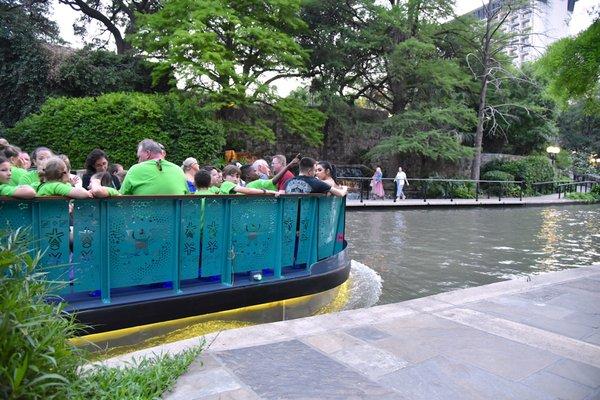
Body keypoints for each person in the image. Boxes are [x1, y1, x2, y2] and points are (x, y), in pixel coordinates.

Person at [120, 139, 188, 195]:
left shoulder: (135, 170)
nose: (138, 161)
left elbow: (121, 196)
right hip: (176, 211)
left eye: (139, 157)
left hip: (145, 211)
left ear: (147, 153)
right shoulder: (178, 170)